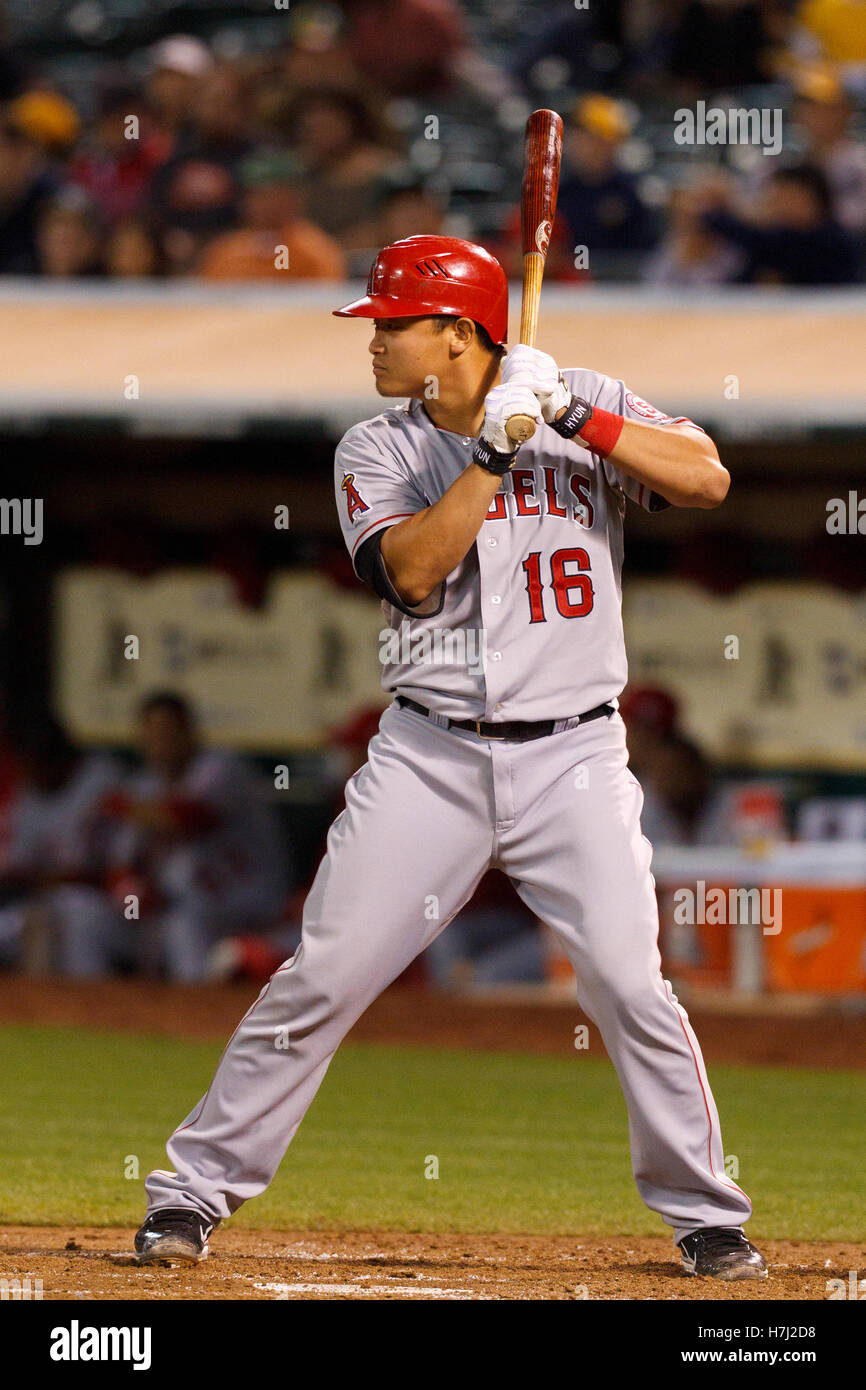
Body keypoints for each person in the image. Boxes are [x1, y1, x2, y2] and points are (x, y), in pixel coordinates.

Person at [134, 235, 766, 1283]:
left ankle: (704, 1215)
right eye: (376, 325)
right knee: (324, 976)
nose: (374, 342)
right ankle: (188, 1196)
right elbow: (412, 575)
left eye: (394, 325)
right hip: (428, 756)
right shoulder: (372, 449)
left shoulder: (577, 396)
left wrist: (569, 415)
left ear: (460, 331)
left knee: (627, 983)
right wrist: (491, 454)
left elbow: (705, 478)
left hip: (573, 755)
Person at [106, 693, 289, 982]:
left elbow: (188, 817)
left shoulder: (221, 767)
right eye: (150, 733)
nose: (159, 742)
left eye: (167, 732)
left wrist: (124, 807)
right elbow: (122, 865)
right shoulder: (142, 786)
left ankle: (195, 1012)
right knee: (84, 916)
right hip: (189, 905)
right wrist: (131, 892)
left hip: (251, 902)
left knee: (184, 918)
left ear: (189, 733)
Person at [0, 718, 123, 976]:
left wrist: (40, 879)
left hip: (115, 906)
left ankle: (93, 1004)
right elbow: (20, 867)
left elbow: (92, 873)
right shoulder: (30, 794)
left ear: (56, 759)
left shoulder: (101, 781)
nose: (26, 772)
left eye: (31, 764)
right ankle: (34, 1009)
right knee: (35, 918)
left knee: (77, 912)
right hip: (46, 899)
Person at [701, 161, 859, 284]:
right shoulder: (781, 235)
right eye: (777, 196)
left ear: (815, 199)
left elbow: (752, 238)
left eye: (789, 197)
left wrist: (715, 209)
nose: (779, 204)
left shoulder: (833, 241)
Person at [198, 150, 346, 281]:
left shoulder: (315, 252)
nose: (261, 203)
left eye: (272, 193)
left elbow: (325, 304)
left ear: (295, 197)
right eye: (254, 194)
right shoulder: (226, 252)